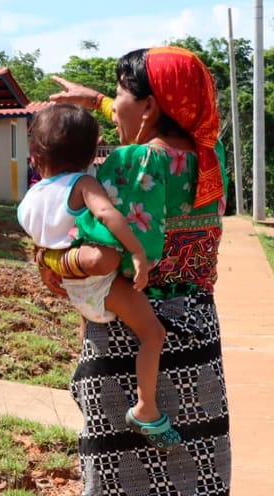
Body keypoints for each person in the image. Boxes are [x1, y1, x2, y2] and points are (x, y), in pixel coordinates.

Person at [44, 46, 231, 496]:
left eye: (122, 97)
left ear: (149, 105)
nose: (114, 108)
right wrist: (96, 99)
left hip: (122, 337)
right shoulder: (210, 169)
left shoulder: (123, 167)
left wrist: (46, 258)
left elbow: (85, 255)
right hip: (197, 340)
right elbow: (150, 128)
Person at [17, 102, 176, 448]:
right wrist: (135, 250)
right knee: (153, 334)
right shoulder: (83, 183)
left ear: (35, 155)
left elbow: (40, 241)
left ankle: (84, 381)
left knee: (92, 337)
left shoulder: (30, 198)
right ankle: (146, 408)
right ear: (92, 153)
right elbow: (106, 214)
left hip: (72, 290)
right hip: (102, 285)